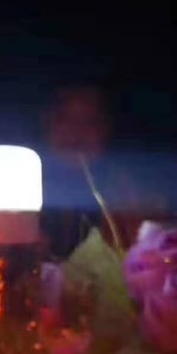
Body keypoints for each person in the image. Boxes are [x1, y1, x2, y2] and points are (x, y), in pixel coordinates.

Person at [41, 85, 159, 256]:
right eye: (65, 119)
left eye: (89, 121)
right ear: (48, 124)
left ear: (106, 129)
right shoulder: (21, 187)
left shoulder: (129, 194)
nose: (76, 131)